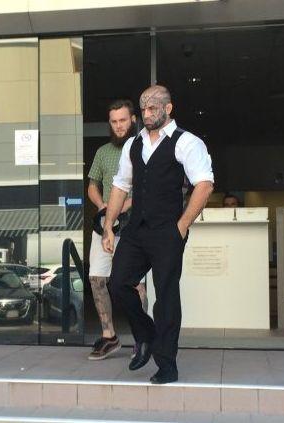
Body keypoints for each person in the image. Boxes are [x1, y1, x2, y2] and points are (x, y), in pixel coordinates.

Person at [102, 85, 214, 384]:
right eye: (143, 109)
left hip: (167, 230)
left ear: (168, 108)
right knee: (118, 284)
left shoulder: (186, 142)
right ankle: (147, 335)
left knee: (165, 297)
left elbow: (204, 185)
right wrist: (109, 225)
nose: (147, 113)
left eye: (153, 108)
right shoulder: (133, 145)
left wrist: (181, 226)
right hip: (137, 229)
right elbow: (120, 186)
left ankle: (167, 364)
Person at [87, 99, 148, 360]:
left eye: (123, 120)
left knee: (136, 285)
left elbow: (150, 190)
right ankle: (109, 336)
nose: (119, 125)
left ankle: (142, 338)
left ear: (133, 119)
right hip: (105, 226)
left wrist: (123, 205)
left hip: (135, 226)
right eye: (114, 121)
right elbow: (92, 185)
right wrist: (104, 207)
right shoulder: (103, 152)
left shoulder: (145, 148)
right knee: (97, 279)